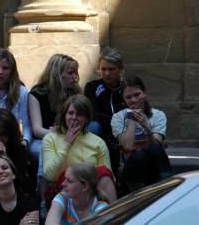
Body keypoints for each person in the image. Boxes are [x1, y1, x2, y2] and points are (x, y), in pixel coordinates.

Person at [28, 54, 81, 219]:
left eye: (75, 73)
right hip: (43, 137)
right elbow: (37, 129)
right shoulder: (36, 94)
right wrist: (55, 134)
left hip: (69, 135)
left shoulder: (75, 92)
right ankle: (44, 199)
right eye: (71, 73)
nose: (75, 77)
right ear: (58, 73)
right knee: (46, 145)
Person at [42, 95, 116, 204]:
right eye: (70, 113)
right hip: (63, 192)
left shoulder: (98, 142)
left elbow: (109, 178)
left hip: (91, 192)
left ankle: (113, 216)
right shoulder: (50, 139)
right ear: (64, 115)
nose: (74, 117)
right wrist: (66, 144)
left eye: (79, 114)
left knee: (103, 171)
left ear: (86, 119)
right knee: (70, 177)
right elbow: (50, 176)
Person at [111, 75, 172, 192]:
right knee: (139, 155)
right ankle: (137, 194)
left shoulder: (158, 115)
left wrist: (147, 128)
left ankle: (168, 188)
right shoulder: (118, 117)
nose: (133, 100)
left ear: (144, 93)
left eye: (137, 95)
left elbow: (156, 145)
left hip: (154, 166)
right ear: (123, 99)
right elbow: (127, 147)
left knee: (154, 149)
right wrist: (132, 121)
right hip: (131, 168)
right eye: (128, 97)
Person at [84, 48, 127, 177]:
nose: (107, 73)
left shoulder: (126, 87)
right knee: (92, 126)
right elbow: (93, 112)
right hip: (102, 126)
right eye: (103, 69)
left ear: (120, 69)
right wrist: (114, 120)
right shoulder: (92, 87)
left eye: (111, 69)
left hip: (124, 126)